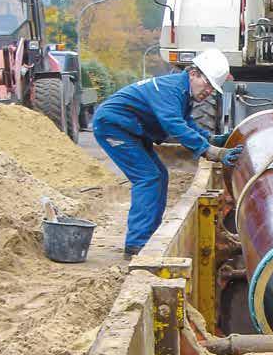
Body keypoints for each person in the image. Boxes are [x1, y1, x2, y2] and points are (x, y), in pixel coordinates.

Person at [92, 49, 241, 258]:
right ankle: (137, 244)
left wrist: (209, 139)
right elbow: (174, 125)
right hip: (113, 127)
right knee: (148, 178)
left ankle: (147, 238)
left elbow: (185, 122)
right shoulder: (170, 90)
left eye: (212, 88)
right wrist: (211, 151)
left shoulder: (181, 91)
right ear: (193, 73)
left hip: (131, 129)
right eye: (207, 84)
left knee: (159, 175)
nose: (209, 91)